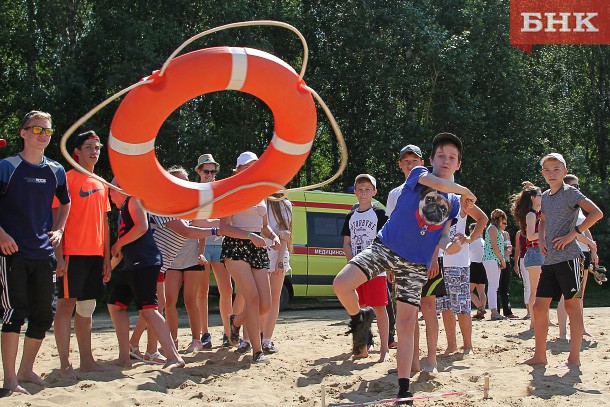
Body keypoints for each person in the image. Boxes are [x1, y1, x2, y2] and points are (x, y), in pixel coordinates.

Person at [333, 133, 475, 402]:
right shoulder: (419, 173)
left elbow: (442, 234)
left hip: (416, 264)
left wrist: (451, 246)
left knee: (407, 324)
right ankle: (360, 317)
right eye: (441, 155)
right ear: (431, 159)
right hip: (386, 248)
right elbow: (433, 182)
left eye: (452, 158)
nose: (446, 160)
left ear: (458, 164)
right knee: (341, 283)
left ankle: (403, 387)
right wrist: (464, 190)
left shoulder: (454, 202)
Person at [0, 111, 70, 395]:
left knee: (43, 315)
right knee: (14, 313)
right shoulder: (7, 167)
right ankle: (10, 380)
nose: (44, 135)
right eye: (38, 129)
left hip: (43, 253)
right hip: (13, 251)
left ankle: (26, 370)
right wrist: (1, 234)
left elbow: (65, 203)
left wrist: (60, 229)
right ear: (23, 133)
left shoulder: (55, 170)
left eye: (48, 131)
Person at [524, 153, 602, 368]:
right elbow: (543, 221)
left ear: (564, 172)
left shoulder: (571, 193)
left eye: (556, 169)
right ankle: (540, 355)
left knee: (572, 307)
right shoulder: (546, 196)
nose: (551, 173)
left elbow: (597, 213)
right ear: (542, 173)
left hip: (571, 259)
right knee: (539, 308)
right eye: (547, 170)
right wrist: (540, 238)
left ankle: (574, 359)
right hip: (550, 260)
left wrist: (573, 234)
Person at [107, 178, 184, 369]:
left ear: (120, 189)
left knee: (149, 310)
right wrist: (107, 269)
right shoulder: (123, 211)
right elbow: (120, 250)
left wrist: (119, 244)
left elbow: (141, 227)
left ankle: (174, 357)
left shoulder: (133, 200)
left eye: (111, 191)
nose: (109, 195)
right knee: (115, 305)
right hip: (133, 265)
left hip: (144, 263)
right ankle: (126, 356)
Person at [52, 131, 110, 380]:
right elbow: (55, 220)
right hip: (72, 252)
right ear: (76, 151)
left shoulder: (101, 181)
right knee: (66, 305)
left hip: (95, 255)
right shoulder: (66, 179)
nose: (94, 151)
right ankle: (65, 363)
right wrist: (59, 256)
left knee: (87, 308)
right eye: (89, 147)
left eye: (97, 147)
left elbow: (105, 222)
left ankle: (87, 360)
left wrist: (107, 258)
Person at [222, 152, 280, 364]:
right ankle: (257, 351)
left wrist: (273, 236)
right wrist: (249, 236)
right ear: (238, 169)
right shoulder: (230, 191)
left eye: (254, 166)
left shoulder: (261, 193)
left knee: (266, 304)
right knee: (253, 299)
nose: (251, 170)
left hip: (257, 248)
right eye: (246, 167)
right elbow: (224, 227)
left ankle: (235, 322)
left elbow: (264, 226)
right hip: (236, 247)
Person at [342, 174, 389, 361]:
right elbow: (346, 242)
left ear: (374, 192)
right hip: (357, 268)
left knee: (379, 308)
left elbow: (387, 241)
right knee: (357, 308)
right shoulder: (351, 216)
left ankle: (384, 349)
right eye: (360, 189)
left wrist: (388, 265)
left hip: (376, 267)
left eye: (367, 189)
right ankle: (362, 348)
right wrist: (351, 262)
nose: (363, 193)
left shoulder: (380, 214)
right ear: (355, 192)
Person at [194, 154, 237, 348]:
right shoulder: (195, 191)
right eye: (206, 171)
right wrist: (218, 224)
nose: (210, 175)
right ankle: (205, 333)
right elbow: (196, 222)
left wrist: (216, 224)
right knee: (202, 291)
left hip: (220, 245)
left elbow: (229, 220)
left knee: (227, 290)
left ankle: (228, 333)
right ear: (199, 171)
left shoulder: (221, 192)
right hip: (201, 244)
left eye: (213, 171)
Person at [386, 145, 425, 355]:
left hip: (423, 258)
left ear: (422, 163)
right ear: (400, 165)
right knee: (404, 313)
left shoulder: (430, 190)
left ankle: (428, 360)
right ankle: (410, 359)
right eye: (406, 162)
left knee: (426, 310)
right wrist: (390, 264)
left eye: (414, 161)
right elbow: (392, 229)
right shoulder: (395, 193)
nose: (410, 165)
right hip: (401, 259)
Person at [436, 199, 487, 355]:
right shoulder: (431, 200)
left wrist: (470, 238)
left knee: (462, 306)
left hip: (458, 263)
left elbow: (482, 218)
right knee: (445, 306)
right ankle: (451, 345)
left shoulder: (459, 200)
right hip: (439, 260)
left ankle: (468, 345)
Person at [556, 174, 598, 340]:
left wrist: (592, 248)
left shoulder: (578, 207)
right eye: (575, 185)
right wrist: (589, 242)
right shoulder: (564, 206)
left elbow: (585, 228)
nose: (578, 188)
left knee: (579, 295)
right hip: (570, 253)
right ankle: (563, 333)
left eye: (578, 185)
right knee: (566, 295)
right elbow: (573, 232)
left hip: (583, 252)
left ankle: (580, 328)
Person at [261, 194, 293, 354]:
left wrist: (280, 260)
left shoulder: (285, 204)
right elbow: (257, 230)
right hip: (259, 252)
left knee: (274, 298)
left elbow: (286, 234)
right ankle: (249, 337)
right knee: (258, 298)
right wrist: (278, 234)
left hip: (278, 252)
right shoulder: (258, 201)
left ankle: (267, 340)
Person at [510, 185, 544, 327]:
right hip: (534, 253)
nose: (542, 197)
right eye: (540, 195)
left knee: (539, 290)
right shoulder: (531, 214)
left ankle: (538, 320)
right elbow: (530, 236)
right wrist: (546, 235)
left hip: (538, 253)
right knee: (535, 290)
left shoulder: (537, 213)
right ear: (533, 198)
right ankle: (533, 322)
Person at [482, 209, 507, 320]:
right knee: (493, 286)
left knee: (494, 286)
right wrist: (502, 259)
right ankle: (493, 311)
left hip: (493, 259)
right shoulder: (492, 228)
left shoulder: (495, 229)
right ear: (501, 219)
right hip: (491, 259)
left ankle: (494, 310)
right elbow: (494, 247)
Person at [498, 224, 518, 319]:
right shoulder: (494, 232)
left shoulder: (506, 234)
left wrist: (510, 250)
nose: (505, 225)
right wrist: (503, 252)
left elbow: (510, 247)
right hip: (498, 261)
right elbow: (494, 247)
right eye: (504, 222)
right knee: (497, 287)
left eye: (506, 223)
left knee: (505, 288)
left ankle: (507, 311)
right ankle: (496, 311)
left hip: (507, 261)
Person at [468, 222, 487, 319]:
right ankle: (481, 309)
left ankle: (480, 308)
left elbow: (467, 254)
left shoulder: (473, 243)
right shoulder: (484, 242)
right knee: (481, 291)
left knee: (469, 291)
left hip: (474, 266)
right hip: (483, 266)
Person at [513, 229, 530, 319]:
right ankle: (529, 311)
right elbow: (518, 249)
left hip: (536, 258)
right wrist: (516, 263)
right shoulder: (519, 233)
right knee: (527, 285)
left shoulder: (537, 229)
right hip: (523, 259)